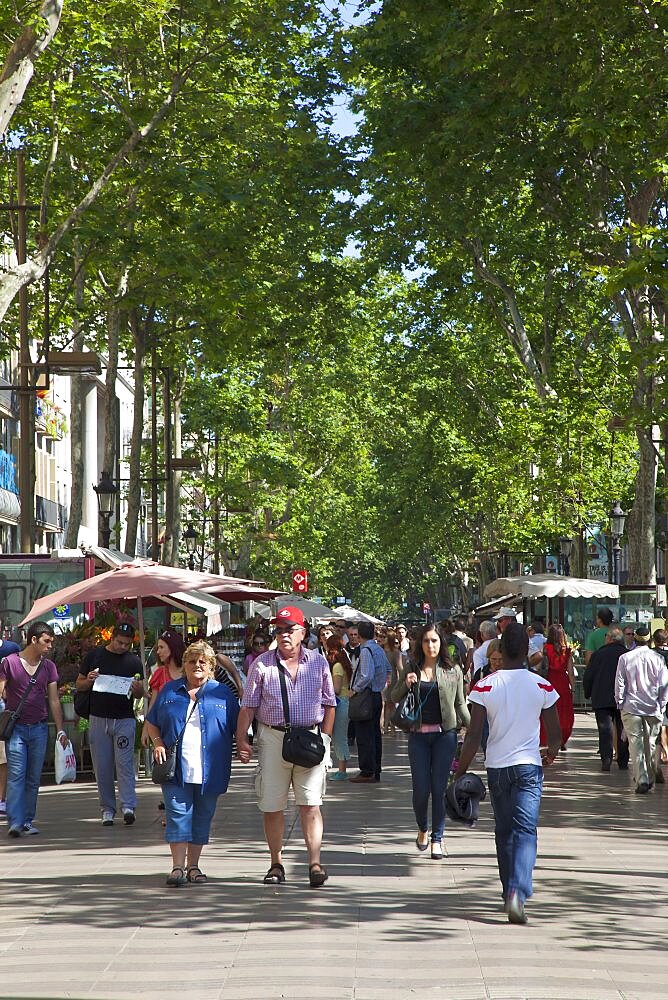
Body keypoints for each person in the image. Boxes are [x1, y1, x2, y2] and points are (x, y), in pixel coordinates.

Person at [457, 621, 562, 925]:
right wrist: (551, 753)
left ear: (500, 651)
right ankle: (518, 892)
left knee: (503, 831)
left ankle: (508, 893)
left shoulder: (485, 685)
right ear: (527, 651)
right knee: (526, 830)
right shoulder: (542, 685)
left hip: (497, 768)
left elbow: (474, 736)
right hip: (529, 767)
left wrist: (458, 773)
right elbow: (555, 734)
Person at [236, 605, 336, 888]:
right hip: (273, 738)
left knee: (311, 804)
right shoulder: (262, 664)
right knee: (272, 805)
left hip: (310, 739)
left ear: (303, 632)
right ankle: (276, 862)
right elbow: (249, 706)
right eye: (279, 630)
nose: (283, 635)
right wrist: (241, 738)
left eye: (289, 630)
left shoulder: (318, 662)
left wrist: (326, 739)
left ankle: (314, 863)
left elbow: (330, 703)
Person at [146, 640, 239, 886]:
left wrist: (243, 745)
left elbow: (238, 725)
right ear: (184, 665)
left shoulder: (223, 693)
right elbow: (152, 721)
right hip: (175, 765)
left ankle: (193, 866)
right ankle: (177, 867)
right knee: (177, 814)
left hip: (212, 767)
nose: (197, 665)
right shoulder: (169, 691)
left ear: (211, 668)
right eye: (191, 661)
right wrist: (158, 743)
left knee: (202, 815)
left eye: (202, 662)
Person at [391, 624, 470, 859]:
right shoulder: (412, 667)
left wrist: (472, 726)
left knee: (439, 789)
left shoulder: (452, 670)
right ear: (420, 644)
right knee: (420, 790)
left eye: (435, 641)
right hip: (418, 737)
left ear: (441, 643)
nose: (431, 645)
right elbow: (392, 696)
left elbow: (460, 703)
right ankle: (422, 828)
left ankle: (437, 838)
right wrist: (406, 684)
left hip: (445, 736)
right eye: (426, 641)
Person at [0, 622, 69, 837]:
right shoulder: (9, 662)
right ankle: (15, 821)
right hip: (17, 729)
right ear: (33, 640)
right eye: (46, 641)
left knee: (33, 777)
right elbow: (1, 692)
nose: (50, 646)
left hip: (39, 727)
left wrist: (60, 730)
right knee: (16, 774)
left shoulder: (48, 667)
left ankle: (27, 820)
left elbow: (54, 700)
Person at [76, 622, 145, 826]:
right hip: (98, 717)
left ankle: (128, 806)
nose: (123, 647)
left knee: (124, 764)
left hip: (124, 718)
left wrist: (138, 688)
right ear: (111, 637)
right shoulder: (95, 656)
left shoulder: (134, 662)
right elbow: (79, 684)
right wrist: (88, 680)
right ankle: (107, 809)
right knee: (102, 766)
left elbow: (141, 692)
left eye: (127, 644)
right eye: (120, 642)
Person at [615, 624, 668, 793]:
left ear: (635, 639)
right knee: (651, 744)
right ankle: (649, 776)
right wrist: (662, 704)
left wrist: (620, 703)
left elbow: (620, 683)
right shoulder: (658, 659)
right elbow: (663, 685)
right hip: (653, 707)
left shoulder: (625, 658)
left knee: (635, 744)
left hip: (632, 706)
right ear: (650, 640)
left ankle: (642, 779)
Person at [349, 620, 391, 783]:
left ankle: (367, 771)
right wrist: (381, 684)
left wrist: (355, 690)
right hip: (375, 695)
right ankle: (375, 769)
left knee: (364, 735)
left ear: (359, 636)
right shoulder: (378, 649)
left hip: (366, 696)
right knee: (374, 735)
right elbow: (388, 669)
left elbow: (366, 674)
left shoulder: (366, 650)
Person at [582, 627, 629, 772]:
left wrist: (587, 693)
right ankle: (623, 760)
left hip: (601, 696)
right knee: (622, 728)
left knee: (605, 729)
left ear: (609, 639)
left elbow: (588, 675)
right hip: (623, 698)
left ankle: (606, 760)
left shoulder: (598, 654)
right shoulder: (627, 655)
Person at [141, 630, 185, 747]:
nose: (158, 651)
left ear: (172, 647)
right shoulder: (160, 673)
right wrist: (146, 728)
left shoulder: (188, 672)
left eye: (161, 647)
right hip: (164, 730)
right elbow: (153, 703)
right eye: (157, 647)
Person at [542, 624, 575, 750]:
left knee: (550, 712)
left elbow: (541, 667)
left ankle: (551, 739)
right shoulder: (567, 651)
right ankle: (562, 739)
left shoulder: (546, 649)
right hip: (563, 683)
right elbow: (570, 672)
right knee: (564, 713)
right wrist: (573, 687)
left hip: (550, 682)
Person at [326, 635, 352, 779]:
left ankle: (342, 770)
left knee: (339, 737)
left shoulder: (336, 666)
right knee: (339, 736)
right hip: (344, 702)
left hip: (340, 703)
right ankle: (341, 769)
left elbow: (336, 689)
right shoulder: (344, 663)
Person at [382, 628, 403, 734]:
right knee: (384, 704)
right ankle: (384, 726)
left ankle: (392, 726)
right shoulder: (380, 651)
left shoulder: (395, 652)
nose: (381, 638)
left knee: (391, 704)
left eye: (384, 637)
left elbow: (400, 668)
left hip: (392, 680)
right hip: (381, 680)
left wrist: (402, 681)